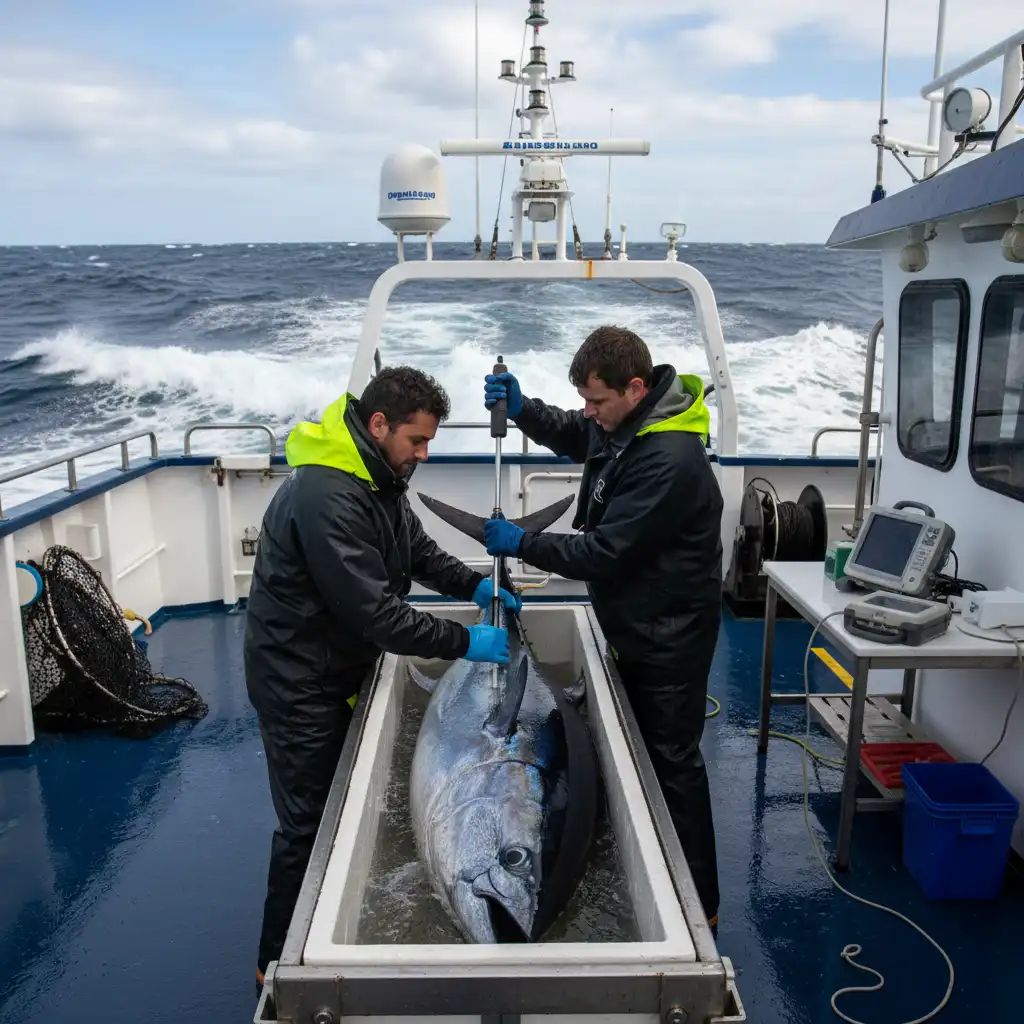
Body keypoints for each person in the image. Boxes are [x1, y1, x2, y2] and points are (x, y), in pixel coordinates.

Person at [245, 365, 516, 987]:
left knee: (336, 807)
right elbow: (377, 615)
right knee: (306, 824)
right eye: (416, 441)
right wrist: (466, 641)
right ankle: (275, 965)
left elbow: (417, 552)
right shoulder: (326, 497)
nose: (423, 455)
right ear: (378, 424)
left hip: (334, 666)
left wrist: (474, 583)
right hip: (297, 683)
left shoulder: (378, 476)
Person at [482, 325, 723, 927]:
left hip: (668, 636)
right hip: (637, 619)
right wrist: (523, 408)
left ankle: (701, 905)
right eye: (585, 399)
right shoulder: (629, 422)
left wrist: (525, 543)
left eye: (597, 401)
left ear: (635, 388)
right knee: (640, 748)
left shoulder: (669, 459)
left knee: (672, 758)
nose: (589, 413)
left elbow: (603, 553)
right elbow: (576, 431)